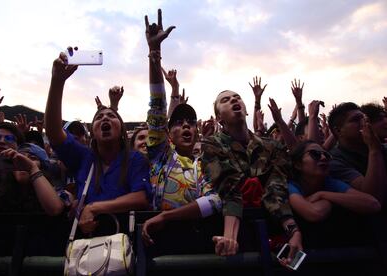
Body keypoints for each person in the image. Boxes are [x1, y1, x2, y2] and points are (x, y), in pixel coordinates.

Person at [45, 52, 151, 234]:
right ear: (93, 132)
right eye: (99, 117)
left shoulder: (134, 159)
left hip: (123, 243)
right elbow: (54, 133)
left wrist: (94, 208)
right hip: (85, 246)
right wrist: (57, 81)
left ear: (122, 131)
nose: (105, 119)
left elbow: (141, 197)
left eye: (111, 116)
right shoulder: (83, 157)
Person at [141, 9, 221, 246]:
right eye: (178, 123)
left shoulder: (203, 164)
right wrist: (154, 52)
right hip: (155, 242)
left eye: (191, 122)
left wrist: (168, 216)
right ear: (167, 133)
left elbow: (215, 201)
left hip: (194, 243)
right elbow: (157, 104)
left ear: (196, 132)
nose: (186, 125)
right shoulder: (160, 156)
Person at [201, 90, 303, 263]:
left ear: (246, 110)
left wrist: (294, 231)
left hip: (271, 230)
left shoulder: (272, 147)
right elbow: (230, 186)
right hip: (234, 231)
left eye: (237, 97)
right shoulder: (211, 145)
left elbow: (276, 189)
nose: (234, 100)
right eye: (226, 100)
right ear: (219, 117)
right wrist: (230, 237)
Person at [288, 140, 380, 223]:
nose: (323, 158)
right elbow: (315, 213)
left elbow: (373, 204)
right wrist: (328, 202)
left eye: (327, 155)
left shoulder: (329, 182)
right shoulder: (291, 186)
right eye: (315, 154)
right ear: (298, 164)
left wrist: (323, 194)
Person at [328, 102, 387, 205]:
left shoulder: (380, 147)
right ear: (338, 131)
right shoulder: (335, 161)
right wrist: (374, 150)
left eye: (364, 118)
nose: (364, 123)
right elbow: (374, 197)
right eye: (355, 120)